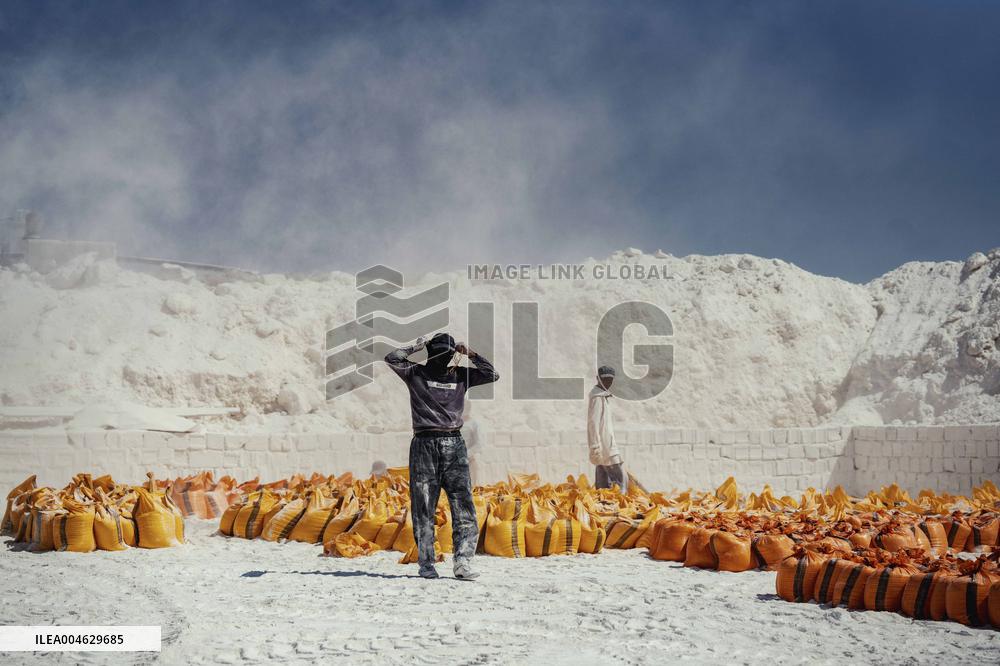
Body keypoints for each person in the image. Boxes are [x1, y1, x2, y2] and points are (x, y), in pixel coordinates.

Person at [385, 332, 499, 580]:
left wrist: (417, 346)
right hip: (432, 444)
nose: (442, 358)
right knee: (429, 506)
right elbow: (490, 373)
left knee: (455, 505)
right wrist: (469, 354)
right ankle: (430, 563)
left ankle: (459, 563)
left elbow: (492, 374)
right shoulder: (423, 373)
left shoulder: (427, 373)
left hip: (445, 444)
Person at [587, 365, 627, 492]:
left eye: (610, 380)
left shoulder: (603, 396)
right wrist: (595, 447)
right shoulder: (597, 398)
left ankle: (603, 500)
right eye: (605, 380)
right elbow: (593, 424)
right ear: (598, 379)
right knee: (620, 480)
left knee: (602, 480)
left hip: (606, 444)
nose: (608, 383)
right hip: (604, 446)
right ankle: (621, 500)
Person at [461, 401, 483, 487]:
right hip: (455, 461)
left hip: (469, 460)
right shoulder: (454, 423)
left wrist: (466, 454)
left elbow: (479, 444)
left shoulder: (474, 424)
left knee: (470, 488)